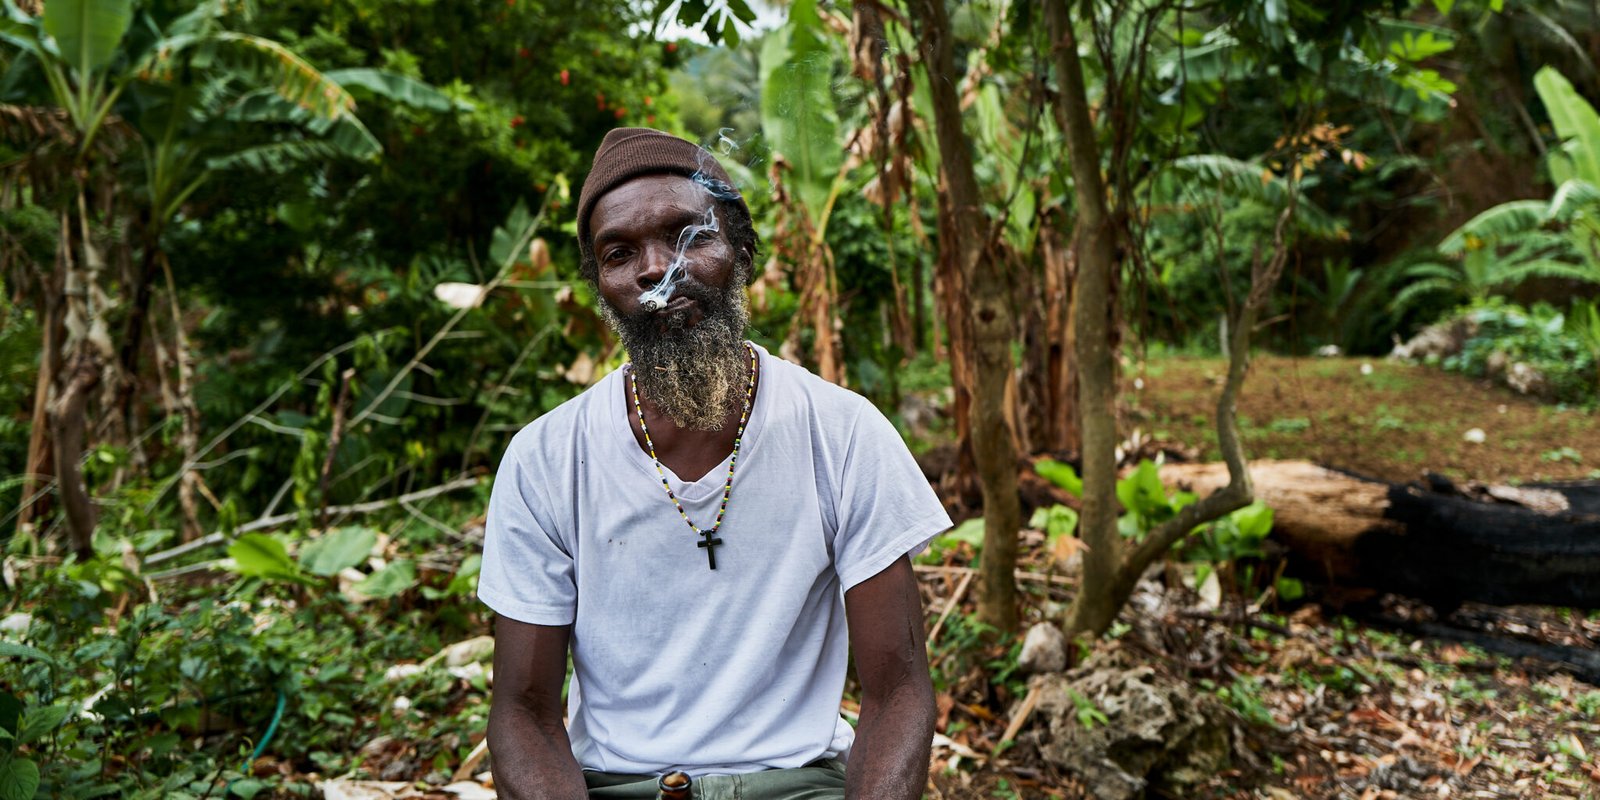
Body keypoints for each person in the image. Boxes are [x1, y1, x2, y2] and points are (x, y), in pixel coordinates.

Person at [479, 128, 950, 800]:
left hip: (797, 786)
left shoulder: (842, 435)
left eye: (688, 235)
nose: (655, 268)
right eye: (620, 253)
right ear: (601, 286)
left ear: (740, 250)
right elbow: (523, 715)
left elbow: (899, 691)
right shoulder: (546, 460)